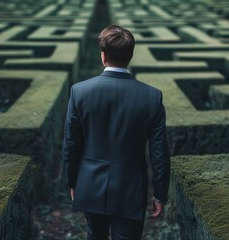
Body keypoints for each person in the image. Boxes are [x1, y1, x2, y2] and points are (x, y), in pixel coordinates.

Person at [62, 24, 170, 240]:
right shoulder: (152, 97)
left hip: (91, 183)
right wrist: (159, 194)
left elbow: (71, 144)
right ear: (130, 55)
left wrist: (73, 181)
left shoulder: (79, 92)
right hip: (131, 188)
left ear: (103, 56)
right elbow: (159, 153)